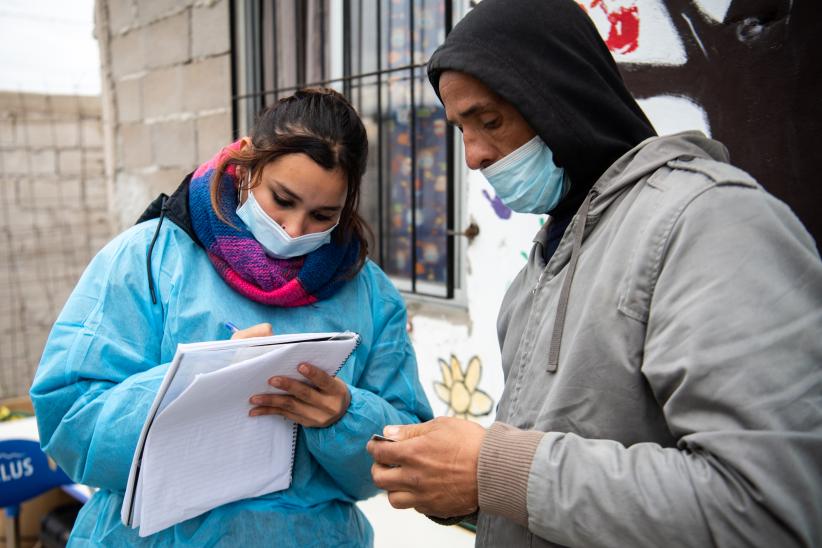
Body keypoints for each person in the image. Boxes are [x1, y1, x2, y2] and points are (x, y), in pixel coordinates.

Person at [367, 1, 822, 546]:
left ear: (559, 94)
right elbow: (547, 491)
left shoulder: (709, 222)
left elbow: (767, 508)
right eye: (461, 128)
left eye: (489, 120)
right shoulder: (541, 265)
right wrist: (463, 489)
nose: (474, 156)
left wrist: (492, 469)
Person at [31, 88, 433, 546]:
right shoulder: (148, 257)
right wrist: (193, 386)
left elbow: (404, 455)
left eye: (324, 215)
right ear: (246, 165)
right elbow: (70, 424)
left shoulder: (370, 294)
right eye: (282, 199)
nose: (294, 229)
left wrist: (345, 416)